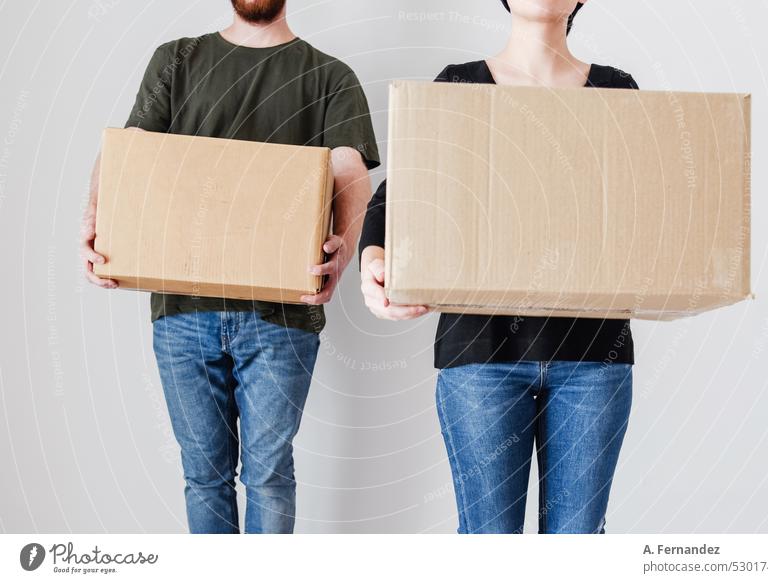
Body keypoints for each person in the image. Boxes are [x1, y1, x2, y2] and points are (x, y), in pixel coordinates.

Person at [80, 0, 380, 534]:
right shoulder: (178, 60)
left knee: (267, 476)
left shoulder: (329, 75)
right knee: (204, 476)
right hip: (182, 312)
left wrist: (344, 252)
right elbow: (134, 150)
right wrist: (96, 219)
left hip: (283, 317)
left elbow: (348, 166)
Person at [359, 0, 638, 534]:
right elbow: (403, 190)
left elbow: (642, 204)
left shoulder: (617, 91)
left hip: (593, 356)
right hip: (481, 354)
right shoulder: (460, 85)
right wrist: (374, 258)